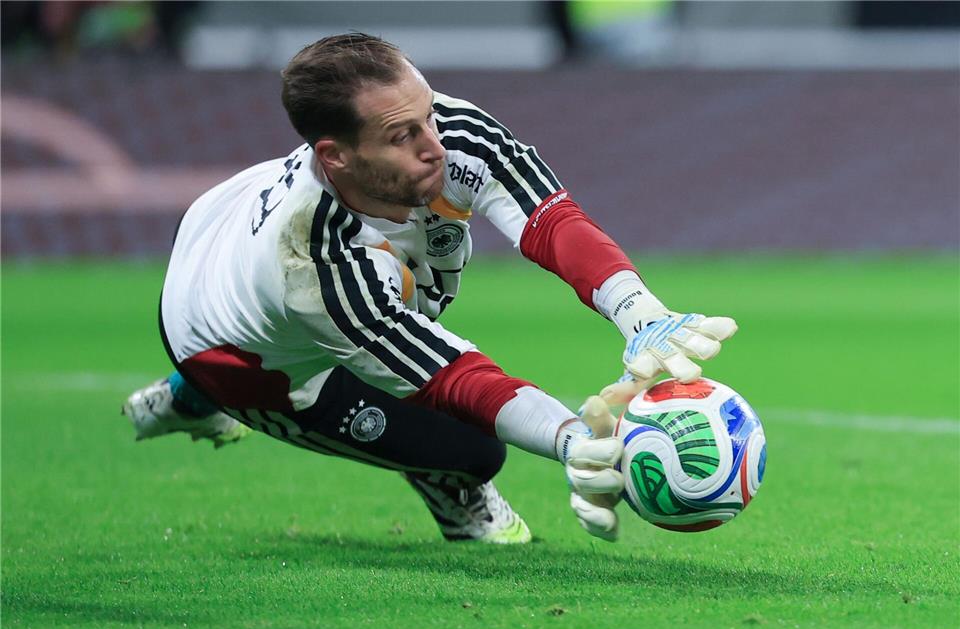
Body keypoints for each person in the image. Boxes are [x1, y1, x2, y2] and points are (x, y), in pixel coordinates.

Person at [122, 33, 736, 544]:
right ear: (334, 157)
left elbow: (549, 220)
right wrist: (571, 440)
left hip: (226, 229)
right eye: (401, 136)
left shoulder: (446, 129)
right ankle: (200, 396)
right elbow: (446, 375)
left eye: (426, 115)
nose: (434, 146)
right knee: (473, 447)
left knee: (415, 293)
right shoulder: (312, 265)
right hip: (228, 351)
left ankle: (187, 398)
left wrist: (640, 313)